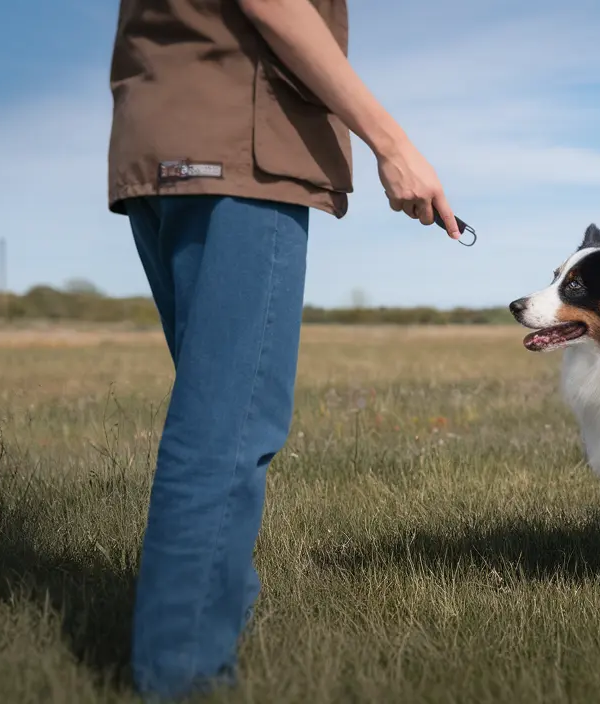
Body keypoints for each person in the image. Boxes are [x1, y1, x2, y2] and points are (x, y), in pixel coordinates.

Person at [106, 0, 459, 698]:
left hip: (159, 140)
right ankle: (185, 678)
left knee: (215, 414)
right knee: (228, 427)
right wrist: (392, 141)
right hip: (240, 154)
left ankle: (207, 627)